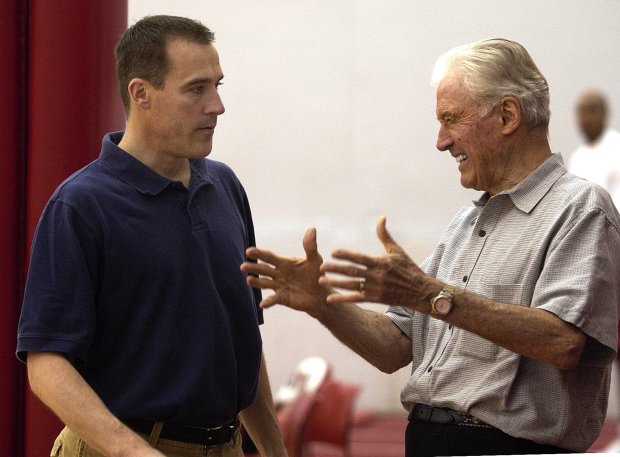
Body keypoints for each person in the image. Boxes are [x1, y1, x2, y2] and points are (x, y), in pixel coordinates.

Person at [240, 38, 620, 456]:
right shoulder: (466, 222)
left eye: (451, 119)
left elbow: (563, 341)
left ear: (508, 114)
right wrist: (321, 303)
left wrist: (431, 295)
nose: (441, 141)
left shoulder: (580, 207)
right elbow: (396, 347)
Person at [16, 15, 286, 457]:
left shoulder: (226, 188)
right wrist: (133, 450)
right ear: (141, 93)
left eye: (218, 85)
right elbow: (46, 364)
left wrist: (276, 451)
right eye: (197, 88)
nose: (217, 105)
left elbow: (243, 342)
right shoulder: (80, 206)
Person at [568, 89, 620, 205]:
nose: (585, 119)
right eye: (581, 112)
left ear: (605, 113)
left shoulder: (616, 148)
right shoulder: (577, 157)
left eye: (591, 111)